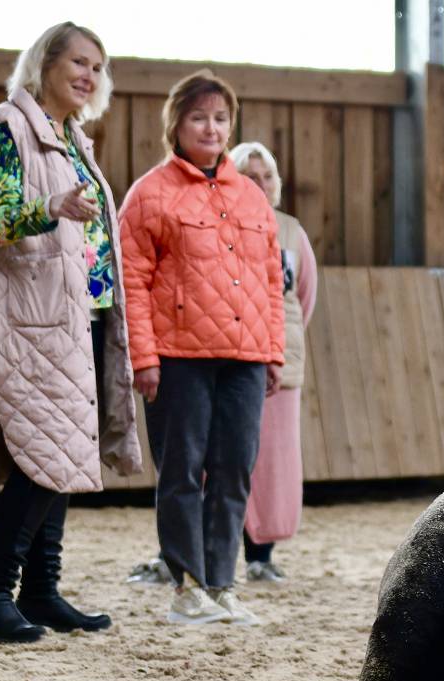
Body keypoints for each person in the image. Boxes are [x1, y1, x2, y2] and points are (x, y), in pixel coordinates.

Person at [0, 22, 141, 643]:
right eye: (78, 62)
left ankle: (40, 590)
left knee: (62, 454)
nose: (88, 75)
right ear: (45, 65)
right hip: (29, 322)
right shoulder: (7, 127)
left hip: (79, 317)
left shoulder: (70, 138)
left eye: (97, 67)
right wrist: (53, 206)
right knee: (41, 458)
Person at [119, 70, 285, 625]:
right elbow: (132, 279)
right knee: (183, 471)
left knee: (234, 469)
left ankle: (222, 584)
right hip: (177, 357)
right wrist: (143, 357)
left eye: (219, 118)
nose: (210, 128)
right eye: (198, 117)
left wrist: (272, 352)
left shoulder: (252, 198)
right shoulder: (150, 194)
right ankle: (186, 586)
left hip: (244, 358)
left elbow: (269, 282)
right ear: (176, 125)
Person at [230, 141, 318, 582]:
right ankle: (220, 548)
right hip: (228, 358)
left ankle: (261, 555)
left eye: (266, 176)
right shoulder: (220, 227)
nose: (259, 184)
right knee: (225, 457)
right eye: (248, 174)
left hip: (279, 365)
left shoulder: (292, 232)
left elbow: (304, 297)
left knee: (275, 461)